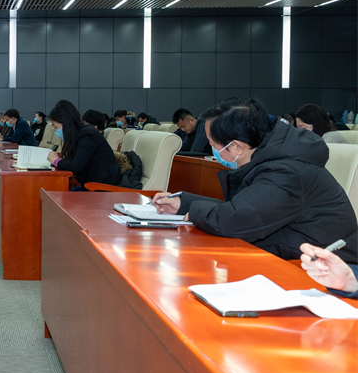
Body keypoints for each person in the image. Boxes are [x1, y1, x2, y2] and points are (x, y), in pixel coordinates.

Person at [152, 97, 358, 263]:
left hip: (327, 268)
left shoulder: (286, 171)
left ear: (237, 146)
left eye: (214, 145)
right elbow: (244, 209)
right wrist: (184, 203)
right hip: (294, 254)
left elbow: (235, 220)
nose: (213, 150)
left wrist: (195, 210)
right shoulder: (272, 156)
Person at [46, 100, 121, 189]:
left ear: (66, 123)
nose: (55, 131)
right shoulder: (78, 135)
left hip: (102, 188)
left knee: (56, 195)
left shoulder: (87, 135)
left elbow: (76, 166)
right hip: (90, 184)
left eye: (56, 127)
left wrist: (56, 161)